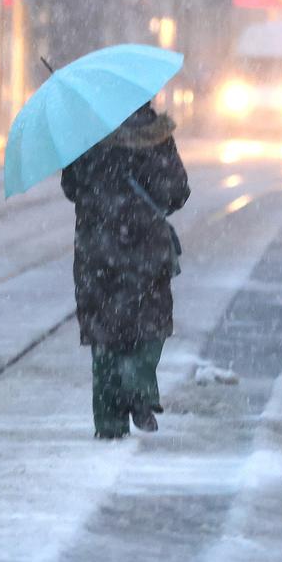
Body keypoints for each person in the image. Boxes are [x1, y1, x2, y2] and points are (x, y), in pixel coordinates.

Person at [60, 101, 189, 440]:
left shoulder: (86, 134)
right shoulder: (156, 134)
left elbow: (72, 188)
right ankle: (139, 385)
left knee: (105, 336)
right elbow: (178, 192)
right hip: (146, 248)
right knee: (149, 324)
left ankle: (109, 423)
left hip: (97, 251)